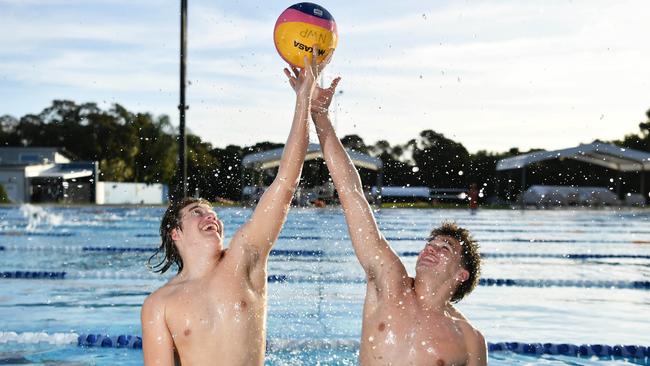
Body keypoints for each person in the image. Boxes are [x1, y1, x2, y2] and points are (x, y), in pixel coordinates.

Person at [141, 49, 330, 365]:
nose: (210, 214)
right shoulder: (159, 304)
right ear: (176, 233)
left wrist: (303, 101)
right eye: (196, 212)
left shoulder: (244, 257)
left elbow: (284, 184)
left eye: (210, 211)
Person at [311, 76, 487, 365]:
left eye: (445, 248)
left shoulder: (469, 339)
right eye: (430, 244)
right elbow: (352, 194)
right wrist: (320, 116)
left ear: (461, 274)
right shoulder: (389, 284)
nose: (430, 249)